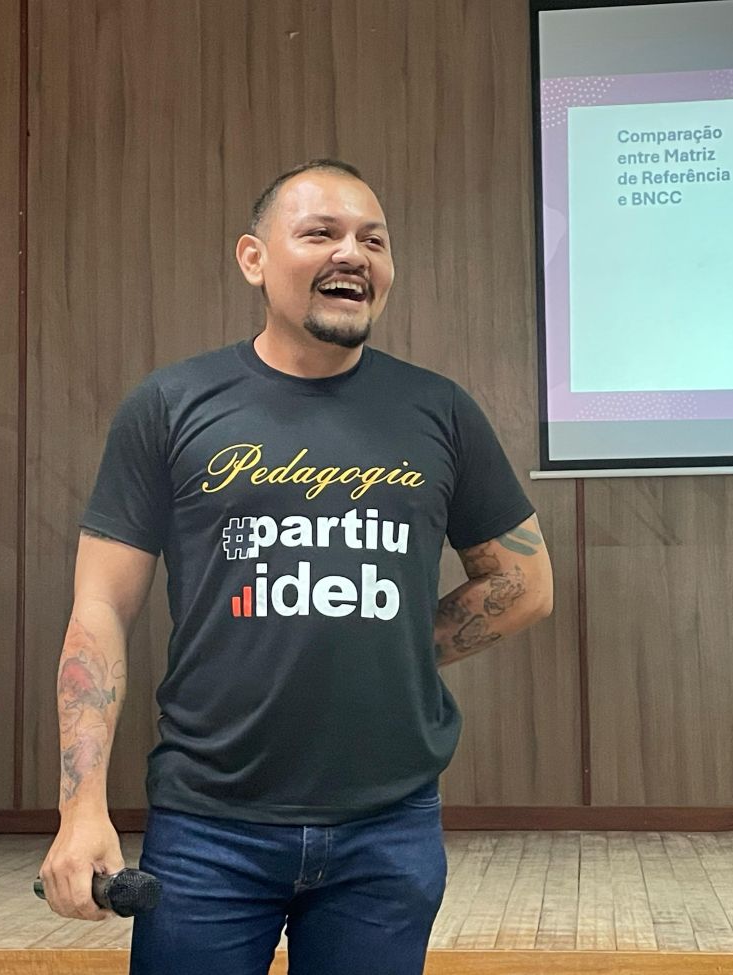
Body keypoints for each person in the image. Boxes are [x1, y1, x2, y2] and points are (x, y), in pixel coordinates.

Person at [39, 159, 553, 975]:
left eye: (374, 240)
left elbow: (523, 583)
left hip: (387, 827)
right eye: (321, 233)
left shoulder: (441, 411)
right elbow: (100, 607)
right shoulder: (169, 406)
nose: (353, 253)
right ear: (253, 258)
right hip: (209, 825)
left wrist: (390, 648)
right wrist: (80, 807)